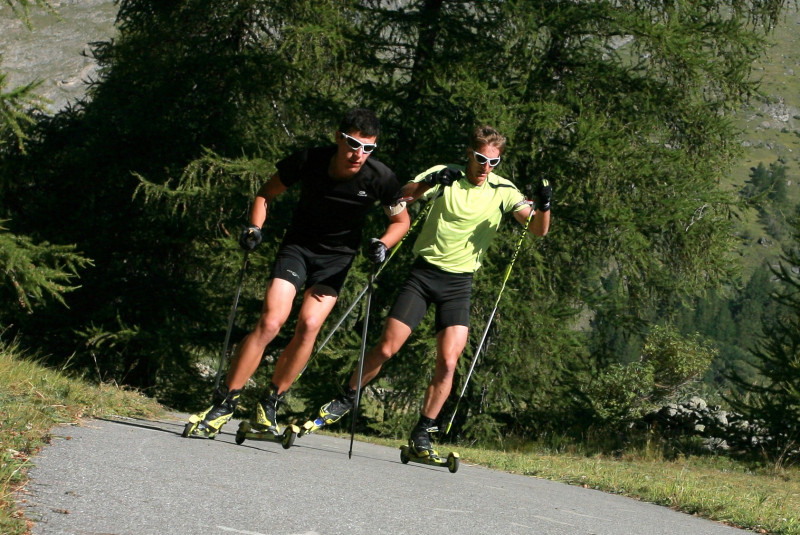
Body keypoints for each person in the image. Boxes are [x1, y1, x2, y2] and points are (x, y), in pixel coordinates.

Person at [302, 124, 551, 458]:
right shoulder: (445, 173)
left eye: (494, 162)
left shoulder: (503, 190)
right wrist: (430, 182)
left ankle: (422, 433)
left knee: (448, 363)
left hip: (459, 284)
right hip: (423, 275)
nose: (485, 167)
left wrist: (545, 206)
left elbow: (537, 230)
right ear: (469, 154)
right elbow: (401, 196)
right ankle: (346, 397)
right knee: (388, 348)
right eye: (480, 159)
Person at [185, 108, 410, 438]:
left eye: (368, 148)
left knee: (309, 325)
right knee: (272, 321)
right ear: (338, 137)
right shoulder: (309, 160)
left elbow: (400, 222)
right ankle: (225, 402)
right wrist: (254, 227)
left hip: (336, 261)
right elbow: (265, 194)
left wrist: (383, 244)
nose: (358, 154)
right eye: (352, 144)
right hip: (298, 249)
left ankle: (270, 402)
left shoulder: (381, 178)